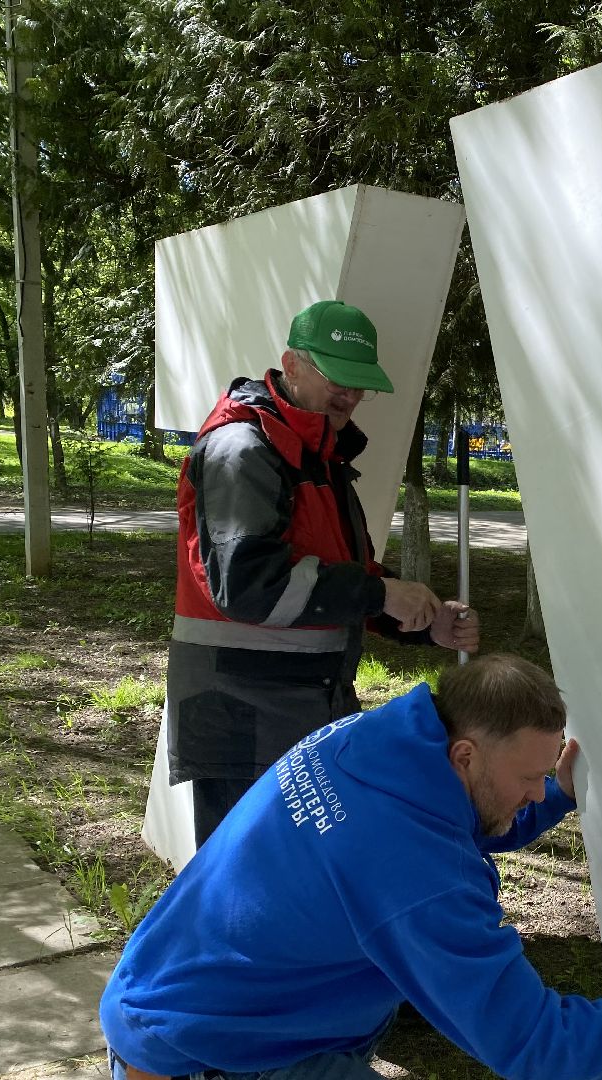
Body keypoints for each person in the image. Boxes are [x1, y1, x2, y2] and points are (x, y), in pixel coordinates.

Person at [101, 653, 602, 1080]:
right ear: (465, 755)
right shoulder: (413, 878)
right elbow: (527, 1040)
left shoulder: (377, 741)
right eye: (530, 776)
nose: (538, 791)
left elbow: (449, 820)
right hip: (212, 1054)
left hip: (175, 998)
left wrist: (553, 793)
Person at [166, 299, 480, 848]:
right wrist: (381, 593)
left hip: (298, 706)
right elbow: (249, 587)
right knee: (243, 889)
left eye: (361, 385)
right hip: (242, 716)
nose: (351, 396)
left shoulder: (314, 452)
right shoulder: (244, 449)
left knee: (294, 885)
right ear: (292, 365)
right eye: (339, 378)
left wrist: (413, 617)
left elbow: (331, 573)